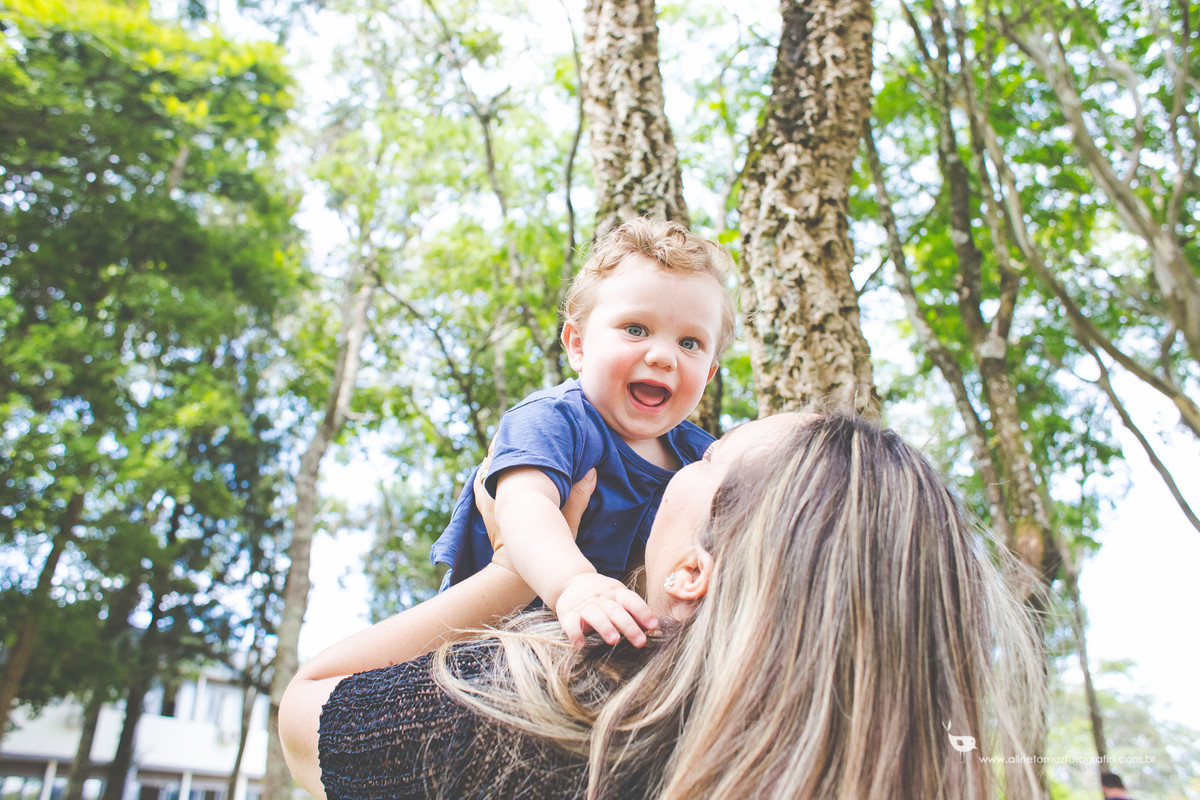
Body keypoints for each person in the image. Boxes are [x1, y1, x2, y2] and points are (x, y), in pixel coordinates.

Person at [280, 412, 1046, 800]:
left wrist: (519, 569)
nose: (680, 457)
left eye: (706, 459)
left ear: (690, 570)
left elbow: (304, 714)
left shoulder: (543, 718)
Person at [430, 217, 737, 647]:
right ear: (577, 345)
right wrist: (574, 583)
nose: (664, 355)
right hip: (494, 641)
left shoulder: (703, 461)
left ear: (708, 374)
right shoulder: (555, 420)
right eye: (636, 329)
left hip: (612, 654)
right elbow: (525, 506)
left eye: (690, 343)